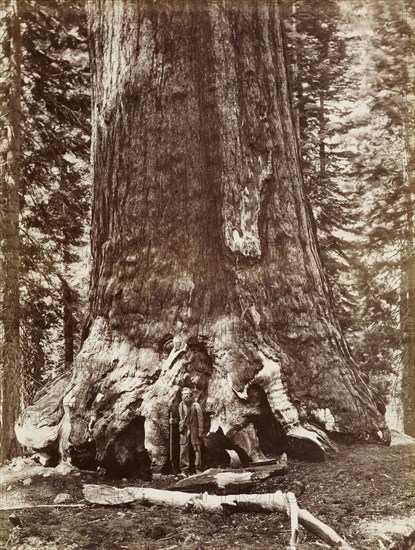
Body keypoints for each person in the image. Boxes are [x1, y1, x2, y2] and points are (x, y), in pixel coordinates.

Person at [178, 387, 204, 475]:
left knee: (197, 449)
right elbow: (178, 418)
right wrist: (174, 421)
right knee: (183, 450)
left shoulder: (196, 405)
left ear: (191, 395)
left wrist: (200, 431)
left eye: (188, 394)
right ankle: (184, 470)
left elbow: (200, 419)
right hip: (184, 430)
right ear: (181, 396)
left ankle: (198, 468)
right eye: (184, 394)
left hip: (194, 430)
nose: (186, 395)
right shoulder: (180, 405)